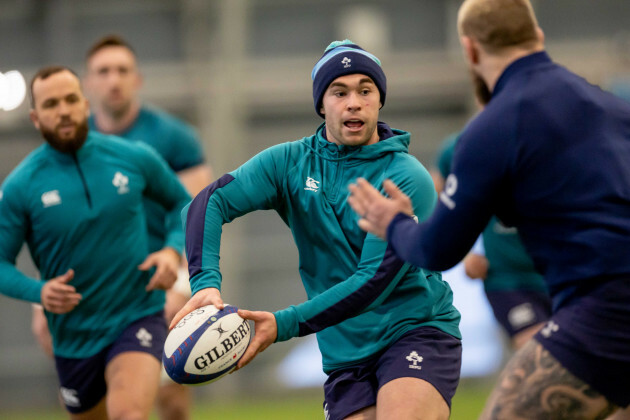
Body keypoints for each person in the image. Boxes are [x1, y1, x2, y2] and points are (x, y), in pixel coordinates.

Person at [348, 0, 630, 418]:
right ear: (538, 38)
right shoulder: (611, 107)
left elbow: (439, 250)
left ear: (471, 50)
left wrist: (394, 222)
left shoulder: (496, 124)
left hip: (606, 312)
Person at [170, 40, 462, 420]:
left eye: (365, 90)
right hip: (344, 353)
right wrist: (204, 283)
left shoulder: (406, 179)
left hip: (415, 331)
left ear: (379, 100)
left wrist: (282, 324)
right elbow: (207, 204)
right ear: (321, 104)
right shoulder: (289, 162)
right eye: (339, 92)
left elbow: (372, 280)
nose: (353, 102)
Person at [30, 34, 213, 420]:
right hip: (89, 281)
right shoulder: (67, 141)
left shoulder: (173, 138)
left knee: (173, 401)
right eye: (103, 72)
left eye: (122, 70)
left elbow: (197, 214)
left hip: (159, 277)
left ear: (138, 79)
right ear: (88, 84)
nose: (114, 80)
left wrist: (183, 282)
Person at [434, 134, 551, 350]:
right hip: (507, 279)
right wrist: (465, 252)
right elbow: (437, 197)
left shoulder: (556, 141)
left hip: (561, 275)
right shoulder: (463, 146)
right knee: (538, 350)